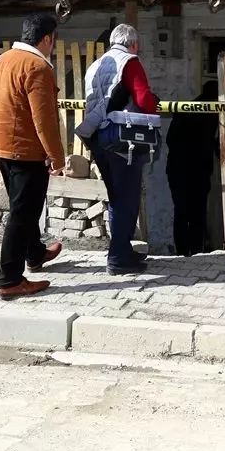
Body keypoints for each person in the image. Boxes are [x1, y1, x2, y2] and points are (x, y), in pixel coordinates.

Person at [0, 13, 66, 300]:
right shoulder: (37, 67)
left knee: (25, 207)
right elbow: (44, 120)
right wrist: (57, 157)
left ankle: (34, 254)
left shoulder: (2, 60)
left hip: (1, 146)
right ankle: (9, 279)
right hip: (25, 150)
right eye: (54, 39)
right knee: (22, 214)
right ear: (48, 38)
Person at [79, 23, 158, 274]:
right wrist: (154, 104)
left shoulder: (96, 65)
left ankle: (122, 249)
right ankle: (118, 258)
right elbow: (144, 100)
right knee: (128, 197)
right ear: (133, 44)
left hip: (99, 138)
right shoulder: (130, 62)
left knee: (115, 196)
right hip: (124, 139)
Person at [165, 80, 219, 256]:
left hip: (177, 168)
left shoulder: (185, 109)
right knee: (197, 211)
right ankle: (196, 251)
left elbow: (169, 140)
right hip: (197, 170)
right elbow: (211, 142)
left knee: (181, 210)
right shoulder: (211, 112)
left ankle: (182, 252)